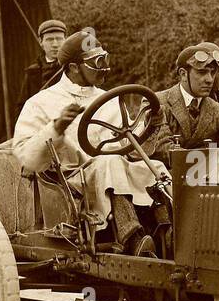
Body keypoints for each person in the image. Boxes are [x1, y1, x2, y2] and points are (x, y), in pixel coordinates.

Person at [13, 29, 166, 255]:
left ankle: (167, 233)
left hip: (110, 170)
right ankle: (133, 238)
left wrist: (150, 124)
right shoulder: (41, 102)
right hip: (70, 181)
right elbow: (26, 156)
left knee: (158, 170)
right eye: (97, 62)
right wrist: (55, 128)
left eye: (105, 59)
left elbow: (127, 141)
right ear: (73, 68)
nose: (105, 67)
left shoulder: (109, 99)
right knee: (110, 163)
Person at [150, 44, 219, 151]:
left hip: (208, 170)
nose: (209, 79)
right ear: (183, 74)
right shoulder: (157, 103)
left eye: (212, 73)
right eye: (202, 72)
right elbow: (162, 148)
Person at [21, 18, 67, 102]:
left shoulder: (73, 68)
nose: (55, 44)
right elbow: (22, 107)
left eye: (59, 39)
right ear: (40, 42)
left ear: (65, 40)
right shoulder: (32, 72)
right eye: (49, 40)